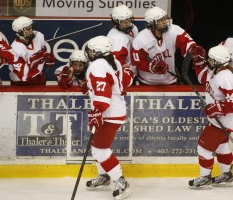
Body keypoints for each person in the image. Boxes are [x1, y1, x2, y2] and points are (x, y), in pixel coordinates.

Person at [84, 35, 133, 199]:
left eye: (90, 50)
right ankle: (104, 177)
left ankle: (121, 183)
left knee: (100, 150)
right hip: (115, 110)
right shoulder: (114, 61)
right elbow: (123, 81)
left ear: (96, 52)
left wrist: (98, 111)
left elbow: (103, 92)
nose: (88, 52)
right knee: (97, 146)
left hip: (108, 113)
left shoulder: (97, 65)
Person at [188, 45, 233, 189]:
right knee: (222, 146)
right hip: (220, 120)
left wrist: (217, 108)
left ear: (218, 62)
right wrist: (198, 62)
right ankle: (227, 174)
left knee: (203, 148)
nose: (208, 61)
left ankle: (205, 177)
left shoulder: (226, 77)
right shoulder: (214, 71)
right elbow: (202, 78)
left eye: (210, 60)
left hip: (223, 121)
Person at [130, 6, 203, 85]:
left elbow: (186, 42)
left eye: (164, 19)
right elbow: (137, 63)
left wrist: (193, 50)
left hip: (170, 80)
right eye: (160, 20)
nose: (164, 22)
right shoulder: (140, 39)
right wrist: (151, 67)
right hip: (147, 81)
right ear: (151, 23)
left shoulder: (174, 31)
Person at [9, 16, 55, 85]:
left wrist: (46, 60)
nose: (32, 30)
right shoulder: (15, 49)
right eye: (28, 29)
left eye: (31, 27)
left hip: (39, 79)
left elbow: (42, 53)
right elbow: (23, 75)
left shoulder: (39, 36)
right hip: (21, 84)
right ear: (20, 32)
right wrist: (34, 60)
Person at [107, 4, 138, 81]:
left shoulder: (133, 28)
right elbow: (117, 64)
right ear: (116, 22)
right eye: (124, 22)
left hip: (134, 72)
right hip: (125, 76)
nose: (128, 24)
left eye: (129, 20)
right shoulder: (116, 39)